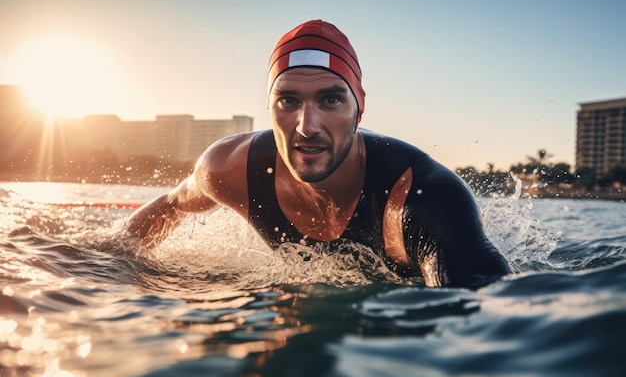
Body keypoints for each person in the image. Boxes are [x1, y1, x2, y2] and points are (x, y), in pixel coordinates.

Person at [125, 19, 511, 288]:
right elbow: (171, 205)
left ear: (358, 109)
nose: (307, 125)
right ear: (270, 108)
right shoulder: (230, 168)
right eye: (288, 100)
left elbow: (482, 313)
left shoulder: (419, 198)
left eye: (330, 99)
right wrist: (103, 257)